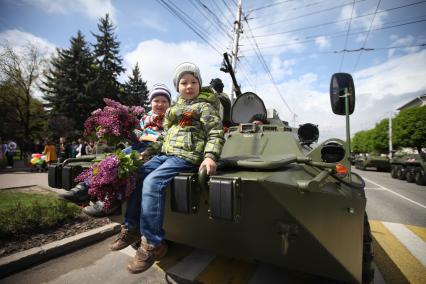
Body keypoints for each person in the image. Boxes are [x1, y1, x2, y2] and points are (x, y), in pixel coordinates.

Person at [109, 62, 225, 274]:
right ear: (177, 87)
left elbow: (216, 133)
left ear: (199, 84)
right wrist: (148, 152)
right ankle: (132, 228)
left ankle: (153, 244)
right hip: (165, 154)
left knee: (153, 182)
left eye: (193, 82)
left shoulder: (204, 107)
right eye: (183, 83)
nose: (189, 86)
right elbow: (164, 137)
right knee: (136, 174)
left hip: (186, 156)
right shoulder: (175, 110)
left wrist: (209, 156)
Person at [80, 84, 172, 217]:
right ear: (151, 102)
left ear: (169, 104)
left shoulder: (171, 119)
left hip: (154, 150)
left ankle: (111, 202)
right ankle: (84, 187)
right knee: (111, 161)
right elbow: (136, 133)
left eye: (164, 101)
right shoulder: (145, 118)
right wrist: (126, 131)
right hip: (138, 145)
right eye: (156, 101)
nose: (160, 104)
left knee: (127, 168)